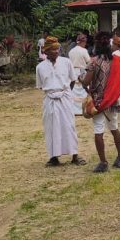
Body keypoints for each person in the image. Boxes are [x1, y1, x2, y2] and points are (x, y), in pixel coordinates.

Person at [35, 36, 84, 167]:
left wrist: (65, 93)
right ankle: (53, 157)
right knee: (51, 128)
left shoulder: (66, 62)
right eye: (53, 49)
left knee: (69, 126)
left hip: (65, 98)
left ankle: (75, 155)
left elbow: (72, 80)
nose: (56, 51)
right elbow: (41, 86)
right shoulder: (40, 67)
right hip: (50, 99)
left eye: (57, 49)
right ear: (46, 51)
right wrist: (54, 93)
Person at [83, 33, 120, 172]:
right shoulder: (117, 61)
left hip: (98, 102)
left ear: (96, 45)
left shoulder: (94, 62)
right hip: (112, 100)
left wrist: (81, 80)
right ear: (109, 45)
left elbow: (86, 81)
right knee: (114, 128)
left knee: (98, 131)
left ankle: (103, 163)